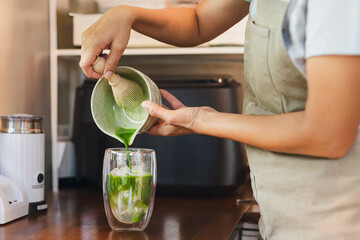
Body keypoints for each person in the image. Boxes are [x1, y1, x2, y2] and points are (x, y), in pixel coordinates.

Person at [80, 0, 360, 239]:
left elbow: (327, 135)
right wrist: (126, 14)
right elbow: (199, 21)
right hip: (280, 207)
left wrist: (202, 120)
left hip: (331, 211)